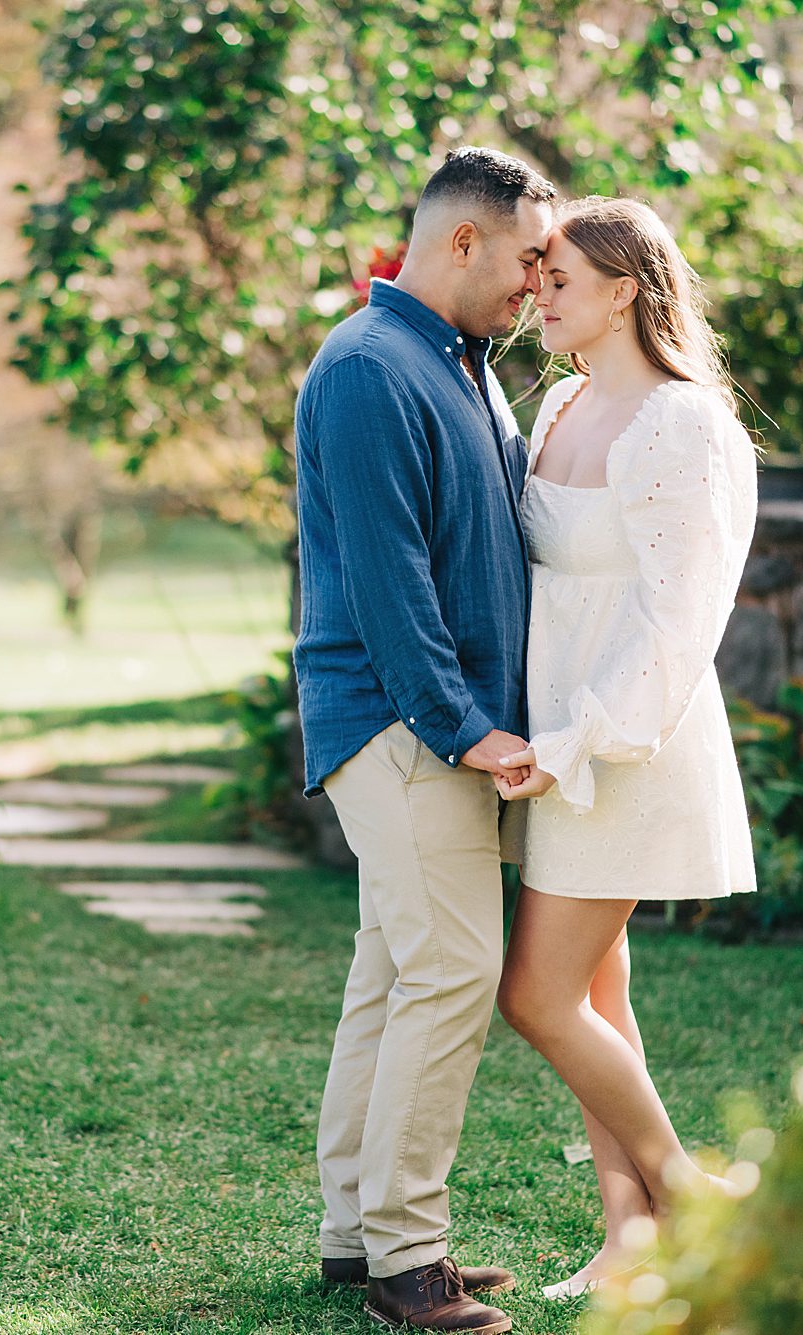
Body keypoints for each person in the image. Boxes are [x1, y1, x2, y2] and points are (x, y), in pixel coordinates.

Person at [292, 146, 555, 1335]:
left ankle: (356, 1235)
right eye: (524, 256)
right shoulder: (364, 368)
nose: (534, 283)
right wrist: (465, 730)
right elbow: (390, 588)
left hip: (439, 726)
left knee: (394, 973)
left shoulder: (464, 365)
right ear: (461, 239)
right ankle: (409, 1259)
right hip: (403, 725)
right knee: (451, 972)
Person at [491, 195, 761, 1301]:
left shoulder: (682, 424)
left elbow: (676, 616)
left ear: (624, 293)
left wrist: (577, 741)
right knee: (597, 987)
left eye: (560, 278)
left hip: (624, 746)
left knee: (535, 995)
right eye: (538, 275)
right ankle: (629, 1243)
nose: (537, 293)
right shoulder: (555, 404)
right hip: (552, 741)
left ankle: (687, 1196)